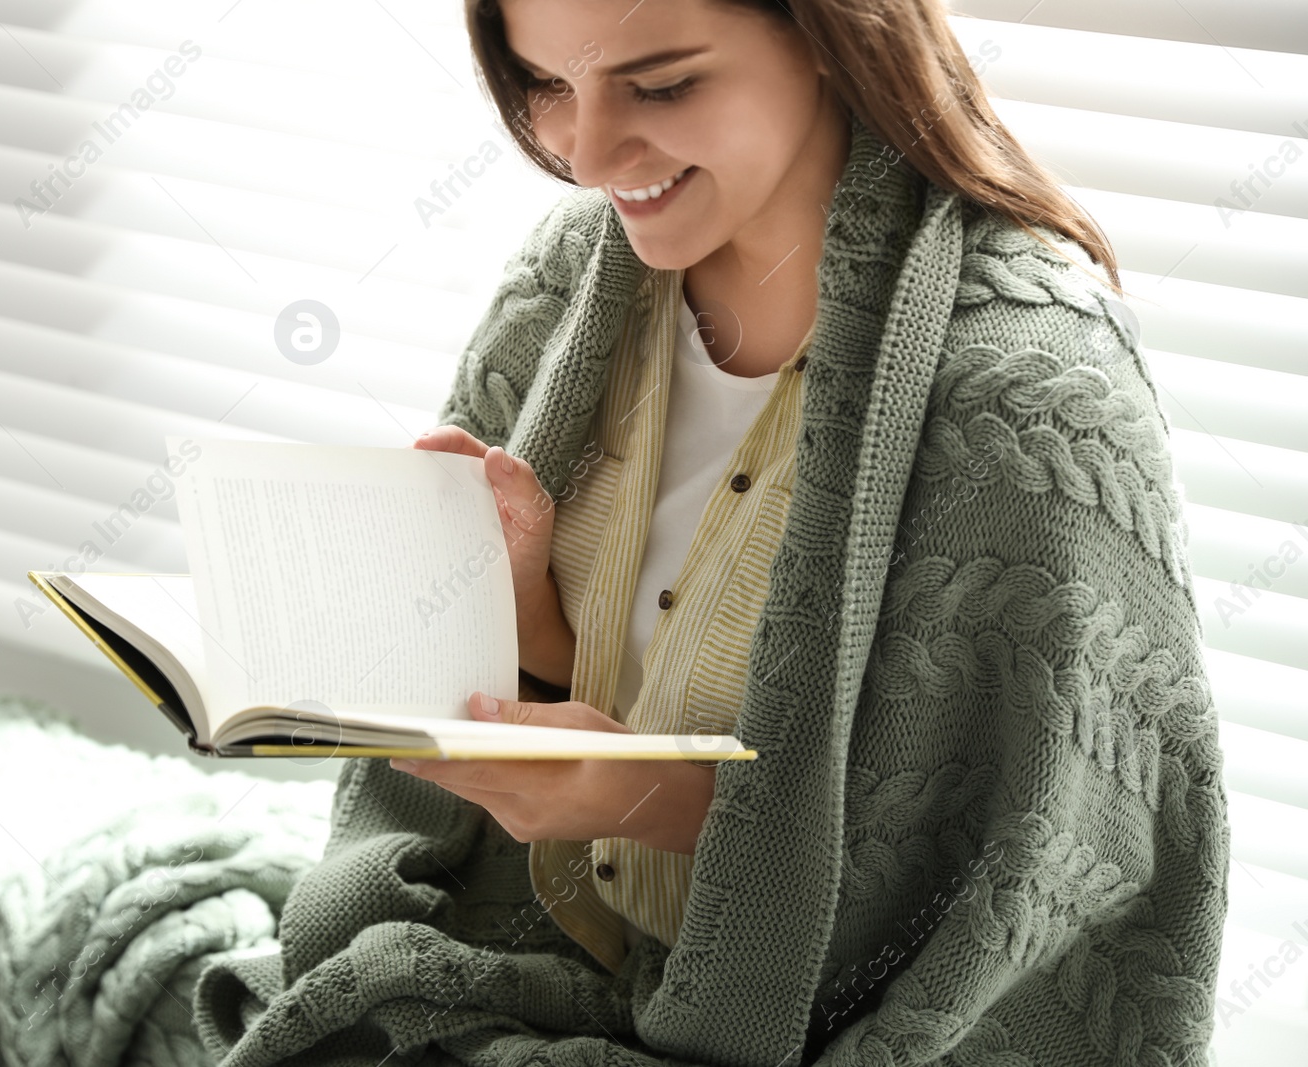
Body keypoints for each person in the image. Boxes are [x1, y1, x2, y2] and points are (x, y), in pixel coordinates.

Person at [234, 2, 1227, 1063]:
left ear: (831, 36)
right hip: (540, 958)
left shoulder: (1029, 396)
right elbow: (630, 690)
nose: (587, 150)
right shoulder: (571, 276)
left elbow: (1007, 883)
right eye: (548, 87)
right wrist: (519, 613)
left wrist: (642, 797)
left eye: (661, 86)